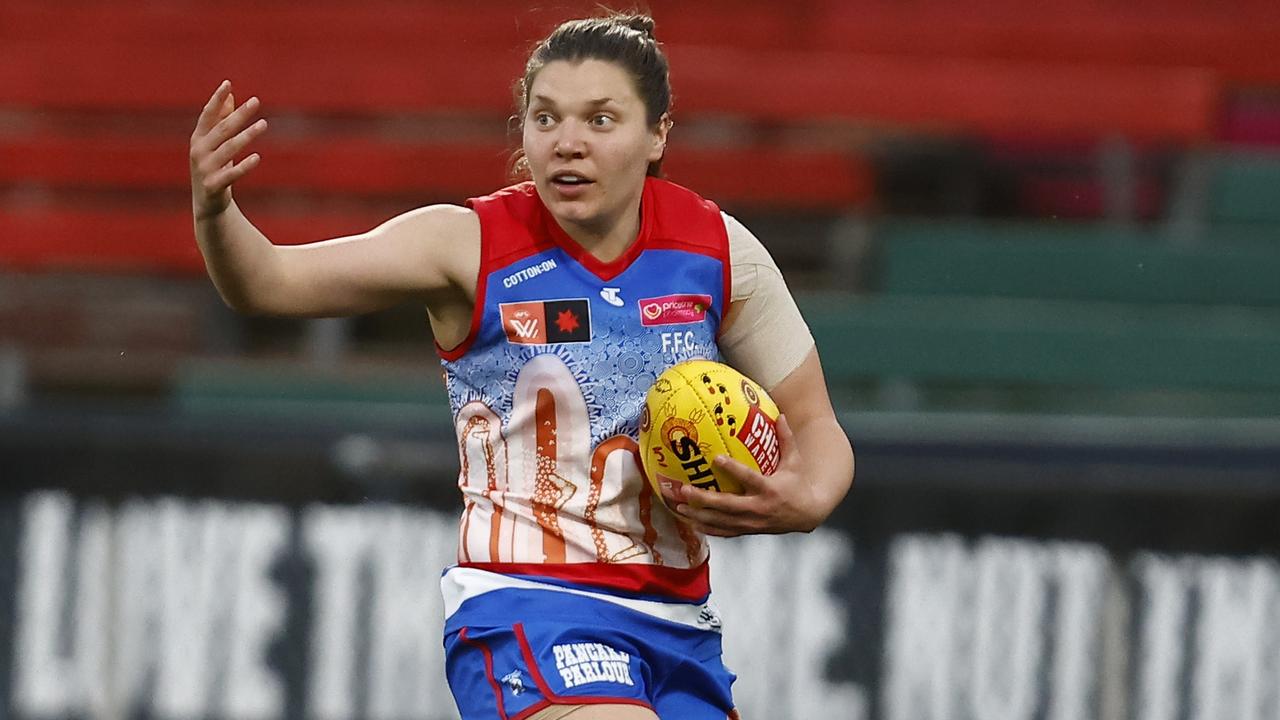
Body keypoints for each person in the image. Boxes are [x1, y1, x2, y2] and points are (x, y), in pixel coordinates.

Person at [189, 13, 854, 720]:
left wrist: (810, 497)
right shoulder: (467, 245)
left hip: (679, 625)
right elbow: (265, 282)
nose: (568, 142)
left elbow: (815, 425)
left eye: (601, 120)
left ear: (658, 133)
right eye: (546, 118)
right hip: (528, 608)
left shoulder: (719, 250)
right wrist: (214, 208)